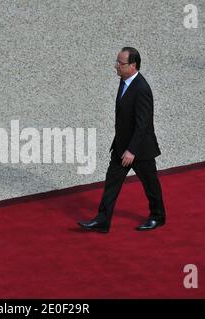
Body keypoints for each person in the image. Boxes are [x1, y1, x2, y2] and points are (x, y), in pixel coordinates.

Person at [78, 47, 166, 233]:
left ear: (133, 66)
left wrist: (132, 150)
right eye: (117, 62)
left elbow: (144, 124)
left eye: (120, 63)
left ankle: (158, 217)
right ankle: (102, 220)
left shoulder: (142, 89)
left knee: (150, 184)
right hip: (121, 147)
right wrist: (121, 145)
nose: (116, 66)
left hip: (140, 150)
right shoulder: (124, 81)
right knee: (111, 183)